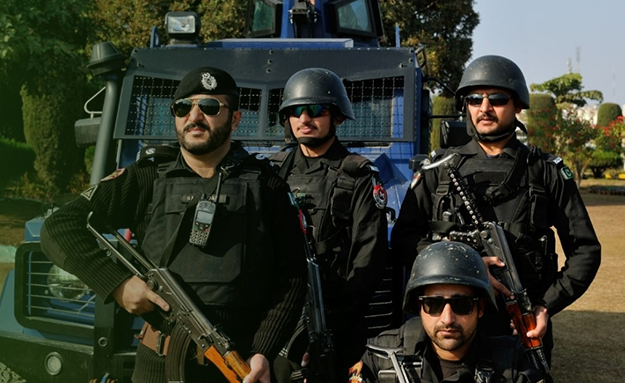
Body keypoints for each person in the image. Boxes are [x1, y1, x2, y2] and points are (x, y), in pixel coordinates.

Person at [40, 67, 307, 383]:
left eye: (208, 107)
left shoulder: (267, 186)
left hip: (239, 367)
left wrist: (264, 351)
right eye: (183, 107)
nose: (194, 117)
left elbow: (292, 276)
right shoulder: (147, 177)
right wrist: (117, 284)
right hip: (158, 366)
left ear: (234, 119)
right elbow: (59, 226)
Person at [391, 55, 602, 370]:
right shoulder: (438, 169)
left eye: (498, 99)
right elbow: (404, 237)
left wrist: (547, 306)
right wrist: (462, 267)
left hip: (520, 323)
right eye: (475, 99)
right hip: (450, 324)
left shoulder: (546, 171)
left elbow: (586, 250)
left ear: (518, 106)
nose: (484, 108)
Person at [270, 67, 389, 382]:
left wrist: (330, 323)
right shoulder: (271, 173)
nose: (304, 118)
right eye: (296, 110)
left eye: (316, 110)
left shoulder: (358, 175)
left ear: (336, 117)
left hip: (335, 324)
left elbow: (370, 257)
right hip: (277, 322)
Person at [352, 241, 545, 383]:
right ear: (419, 307)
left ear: (481, 309)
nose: (447, 318)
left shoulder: (511, 368)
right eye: (433, 304)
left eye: (462, 305)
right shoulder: (381, 359)